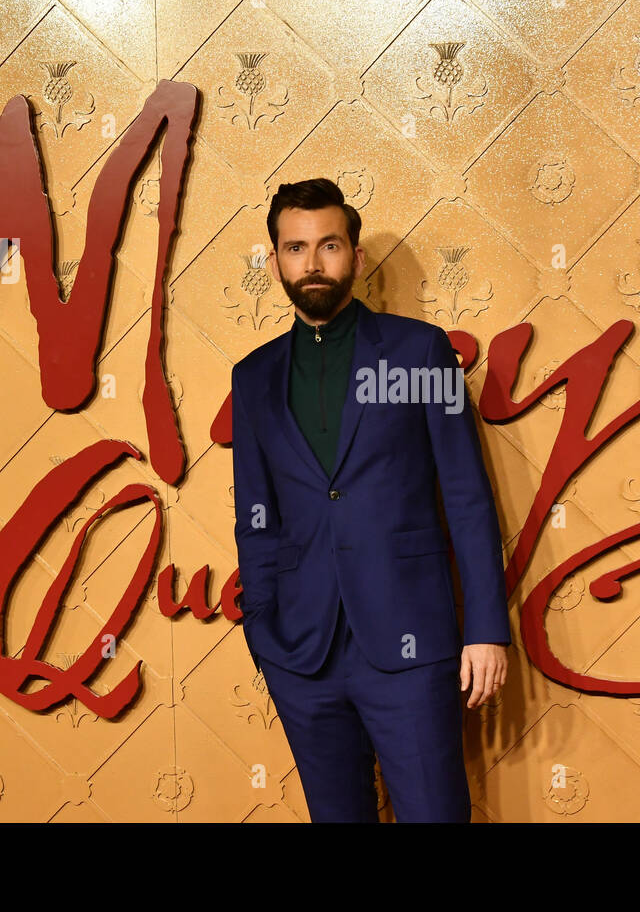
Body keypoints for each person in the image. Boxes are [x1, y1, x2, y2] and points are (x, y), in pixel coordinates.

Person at [230, 178, 511, 822]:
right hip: (302, 651)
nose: (313, 263)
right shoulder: (253, 378)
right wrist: (264, 629)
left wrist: (487, 631)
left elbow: (467, 496)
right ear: (274, 262)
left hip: (412, 638)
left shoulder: (421, 350)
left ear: (356, 257)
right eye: (295, 248)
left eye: (328, 245)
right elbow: (257, 517)